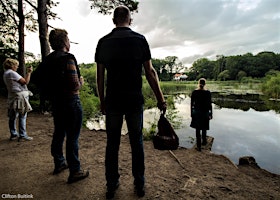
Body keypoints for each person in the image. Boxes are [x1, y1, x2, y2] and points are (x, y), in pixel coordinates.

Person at [95, 5, 167, 199]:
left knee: (112, 143)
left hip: (113, 102)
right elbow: (150, 72)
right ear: (130, 19)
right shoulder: (140, 40)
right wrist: (161, 99)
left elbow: (100, 78)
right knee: (137, 143)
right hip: (135, 101)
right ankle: (139, 183)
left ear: (113, 20)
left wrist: (103, 101)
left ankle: (111, 184)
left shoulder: (103, 42)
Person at [38, 29, 89, 184]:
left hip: (57, 103)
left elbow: (37, 79)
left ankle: (59, 163)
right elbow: (74, 84)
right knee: (72, 137)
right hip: (71, 103)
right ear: (65, 42)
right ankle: (75, 171)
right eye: (68, 39)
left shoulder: (47, 60)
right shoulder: (68, 58)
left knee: (59, 133)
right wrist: (81, 82)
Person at [3, 58, 33, 141]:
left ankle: (13, 134)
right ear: (12, 65)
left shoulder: (6, 73)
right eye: (16, 65)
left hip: (12, 96)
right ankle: (22, 135)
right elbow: (25, 82)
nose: (17, 67)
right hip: (20, 96)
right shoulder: (12, 73)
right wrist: (29, 73)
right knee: (22, 116)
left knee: (12, 116)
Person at [190, 78, 213, 151]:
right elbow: (210, 104)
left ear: (198, 83)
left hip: (197, 112)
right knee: (204, 128)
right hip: (205, 112)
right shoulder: (208, 93)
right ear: (205, 84)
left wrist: (191, 113)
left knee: (197, 129)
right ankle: (204, 141)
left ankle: (199, 146)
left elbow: (191, 104)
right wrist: (211, 113)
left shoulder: (194, 92)